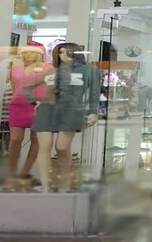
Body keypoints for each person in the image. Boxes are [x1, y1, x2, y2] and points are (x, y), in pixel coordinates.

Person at [22, 42, 100, 192]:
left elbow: (94, 92)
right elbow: (26, 88)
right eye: (60, 52)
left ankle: (64, 182)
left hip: (71, 110)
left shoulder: (89, 70)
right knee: (44, 147)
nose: (62, 55)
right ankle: (45, 186)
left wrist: (93, 111)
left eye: (66, 52)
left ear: (75, 53)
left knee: (62, 147)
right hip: (47, 110)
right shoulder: (53, 71)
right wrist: (35, 101)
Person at [6, 43, 51, 182]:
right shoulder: (14, 70)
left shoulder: (48, 68)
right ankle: (11, 172)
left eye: (32, 52)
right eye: (25, 52)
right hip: (17, 106)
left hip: (39, 105)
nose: (28, 55)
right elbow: (14, 88)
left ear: (39, 54)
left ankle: (25, 171)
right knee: (15, 139)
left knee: (36, 139)